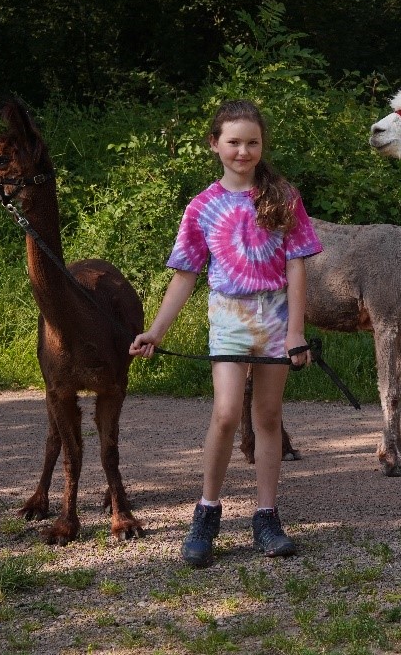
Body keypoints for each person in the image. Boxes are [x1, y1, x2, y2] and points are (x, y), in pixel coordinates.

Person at [130, 99, 322, 567]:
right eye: (233, 142)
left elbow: (297, 268)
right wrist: (156, 330)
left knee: (269, 416)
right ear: (215, 144)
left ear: (262, 145)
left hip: (277, 319)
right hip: (229, 320)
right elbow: (185, 275)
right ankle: (207, 512)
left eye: (252, 142)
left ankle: (266, 516)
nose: (243, 151)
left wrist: (297, 331)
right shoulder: (202, 207)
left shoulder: (283, 197)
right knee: (225, 413)